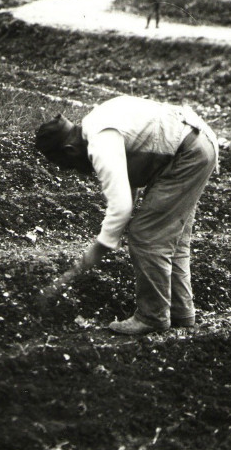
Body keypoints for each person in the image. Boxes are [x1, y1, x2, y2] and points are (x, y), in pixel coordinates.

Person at [35, 95, 219, 335]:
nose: (75, 172)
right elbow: (127, 188)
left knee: (147, 235)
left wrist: (98, 249)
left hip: (187, 153)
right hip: (197, 143)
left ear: (69, 150)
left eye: (67, 166)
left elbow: (121, 206)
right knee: (173, 239)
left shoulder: (100, 141)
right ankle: (180, 312)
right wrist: (114, 230)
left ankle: (152, 317)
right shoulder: (97, 122)